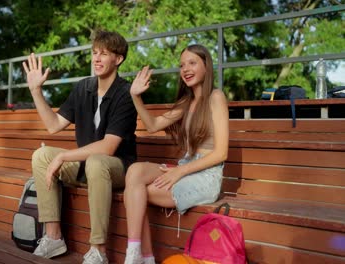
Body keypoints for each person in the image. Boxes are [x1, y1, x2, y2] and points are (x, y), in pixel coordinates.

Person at [22, 30, 137, 264]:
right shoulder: (83, 87)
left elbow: (107, 147)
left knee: (95, 162)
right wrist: (36, 91)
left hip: (119, 168)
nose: (96, 59)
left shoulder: (126, 93)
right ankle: (53, 238)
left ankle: (98, 250)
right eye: (94, 53)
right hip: (87, 165)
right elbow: (54, 125)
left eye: (104, 54)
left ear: (119, 59)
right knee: (42, 155)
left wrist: (64, 156)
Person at [123, 44, 229, 264]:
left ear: (206, 66)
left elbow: (221, 153)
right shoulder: (186, 103)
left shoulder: (216, 97)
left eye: (192, 63)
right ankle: (136, 253)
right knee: (134, 172)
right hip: (185, 167)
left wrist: (180, 171)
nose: (185, 69)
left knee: (135, 193)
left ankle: (145, 256)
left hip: (205, 176)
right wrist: (135, 97)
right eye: (182, 65)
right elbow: (152, 125)